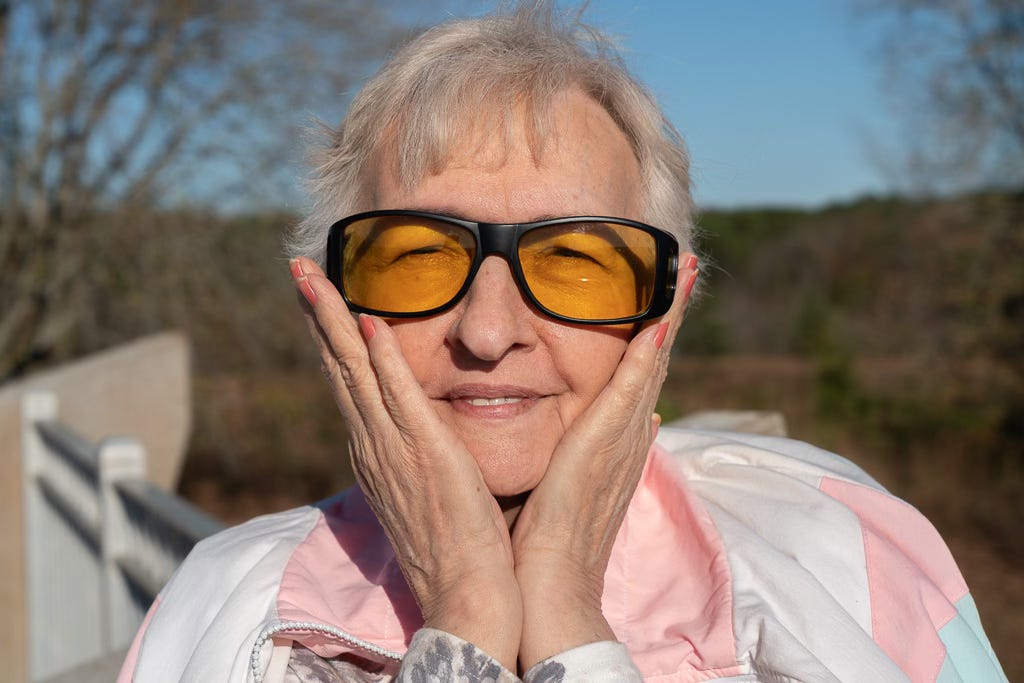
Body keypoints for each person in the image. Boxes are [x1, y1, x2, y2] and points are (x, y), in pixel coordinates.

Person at [118, 4, 1007, 682]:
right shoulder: (229, 607)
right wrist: (466, 608)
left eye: (574, 260)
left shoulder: (841, 556)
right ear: (333, 305)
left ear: (666, 307)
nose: (488, 331)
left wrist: (565, 604)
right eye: (420, 255)